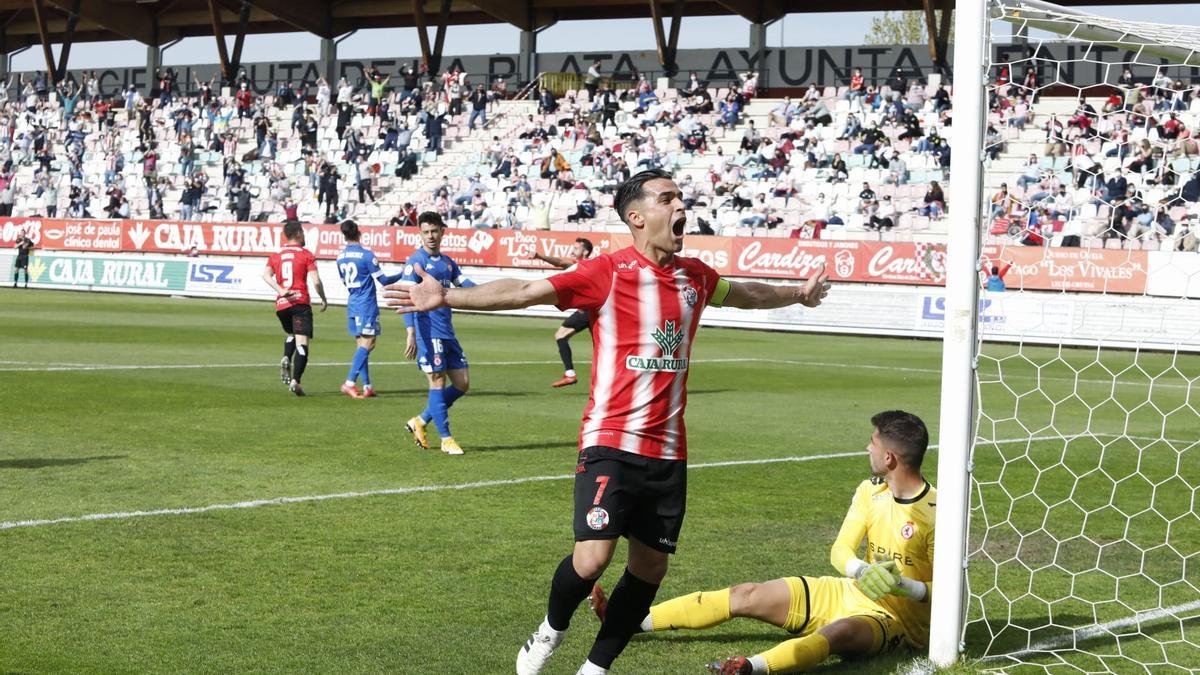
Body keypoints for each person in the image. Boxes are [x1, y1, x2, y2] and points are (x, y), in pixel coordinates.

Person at [383, 169, 831, 675]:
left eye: (681, 197)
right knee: (592, 559)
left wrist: (798, 294)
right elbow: (527, 290)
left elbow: (745, 294)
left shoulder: (697, 276)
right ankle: (550, 630)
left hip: (667, 451)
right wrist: (449, 297)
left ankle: (595, 669)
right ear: (637, 217)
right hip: (610, 442)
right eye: (668, 198)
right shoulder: (608, 272)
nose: (681, 206)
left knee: (650, 568)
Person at [593, 411, 933, 675]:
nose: (867, 448)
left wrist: (904, 586)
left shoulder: (937, 513)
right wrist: (861, 570)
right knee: (746, 594)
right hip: (847, 591)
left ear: (889, 458)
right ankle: (627, 620)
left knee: (837, 635)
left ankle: (750, 667)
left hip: (893, 620)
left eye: (872, 443)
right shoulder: (870, 490)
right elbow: (840, 551)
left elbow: (952, 591)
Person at [399, 212, 477, 456]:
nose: (431, 236)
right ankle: (446, 438)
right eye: (426, 232)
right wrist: (410, 332)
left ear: (443, 231)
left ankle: (420, 421)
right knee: (437, 381)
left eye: (434, 231)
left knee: (462, 383)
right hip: (427, 331)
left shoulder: (447, 262)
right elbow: (404, 297)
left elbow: (465, 284)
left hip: (447, 331)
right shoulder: (416, 262)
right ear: (420, 234)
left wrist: (496, 293)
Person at [335, 220, 404, 398]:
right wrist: (404, 272)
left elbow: (344, 282)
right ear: (359, 233)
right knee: (369, 343)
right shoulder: (366, 256)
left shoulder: (340, 257)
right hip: (366, 304)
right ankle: (349, 382)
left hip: (353, 302)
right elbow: (384, 281)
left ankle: (367, 386)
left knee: (361, 345)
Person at [262, 221, 327, 396]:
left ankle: (286, 356)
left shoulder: (276, 254)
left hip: (282, 305)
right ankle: (296, 381)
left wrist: (281, 290)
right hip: (300, 303)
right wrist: (323, 298)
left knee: (291, 334)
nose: (304, 236)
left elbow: (265, 275)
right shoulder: (306, 255)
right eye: (303, 233)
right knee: (302, 343)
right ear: (298, 233)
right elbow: (316, 281)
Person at [526, 238, 595, 388]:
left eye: (576, 248)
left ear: (586, 252)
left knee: (563, 336)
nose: (572, 251)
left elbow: (559, 262)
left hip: (589, 311)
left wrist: (539, 256)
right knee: (564, 336)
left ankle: (571, 374)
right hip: (591, 311)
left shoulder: (582, 265)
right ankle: (570, 374)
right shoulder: (592, 266)